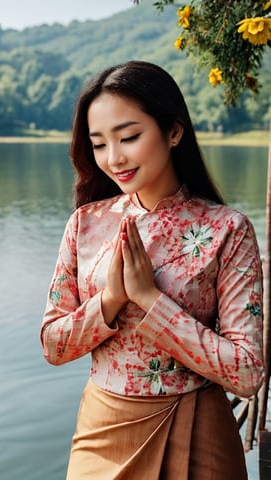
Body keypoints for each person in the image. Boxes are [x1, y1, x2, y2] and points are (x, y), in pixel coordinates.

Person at [40, 60, 264, 479]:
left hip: (198, 428)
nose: (114, 157)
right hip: (102, 432)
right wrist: (110, 300)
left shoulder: (227, 230)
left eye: (129, 137)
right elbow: (53, 345)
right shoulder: (85, 224)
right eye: (99, 144)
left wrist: (151, 300)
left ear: (174, 132)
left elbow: (247, 371)